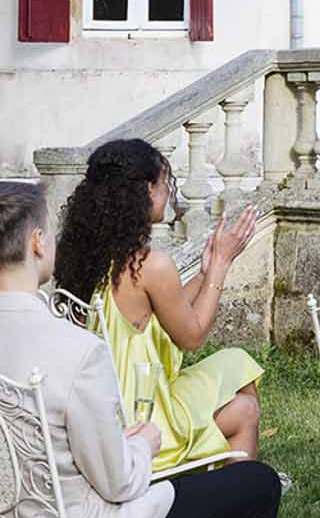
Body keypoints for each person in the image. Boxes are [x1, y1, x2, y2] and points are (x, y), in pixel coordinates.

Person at [0, 182, 279, 518]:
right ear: (38, 242)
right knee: (255, 486)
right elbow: (121, 484)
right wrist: (144, 442)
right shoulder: (77, 351)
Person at [54, 138, 264, 472]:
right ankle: (235, 499)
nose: (169, 192)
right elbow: (192, 337)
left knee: (238, 363)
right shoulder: (150, 264)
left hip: (103, 407)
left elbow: (166, 307)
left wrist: (205, 272)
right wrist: (222, 264)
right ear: (146, 191)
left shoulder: (84, 257)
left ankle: (226, 488)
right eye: (166, 182)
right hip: (141, 416)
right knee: (246, 409)